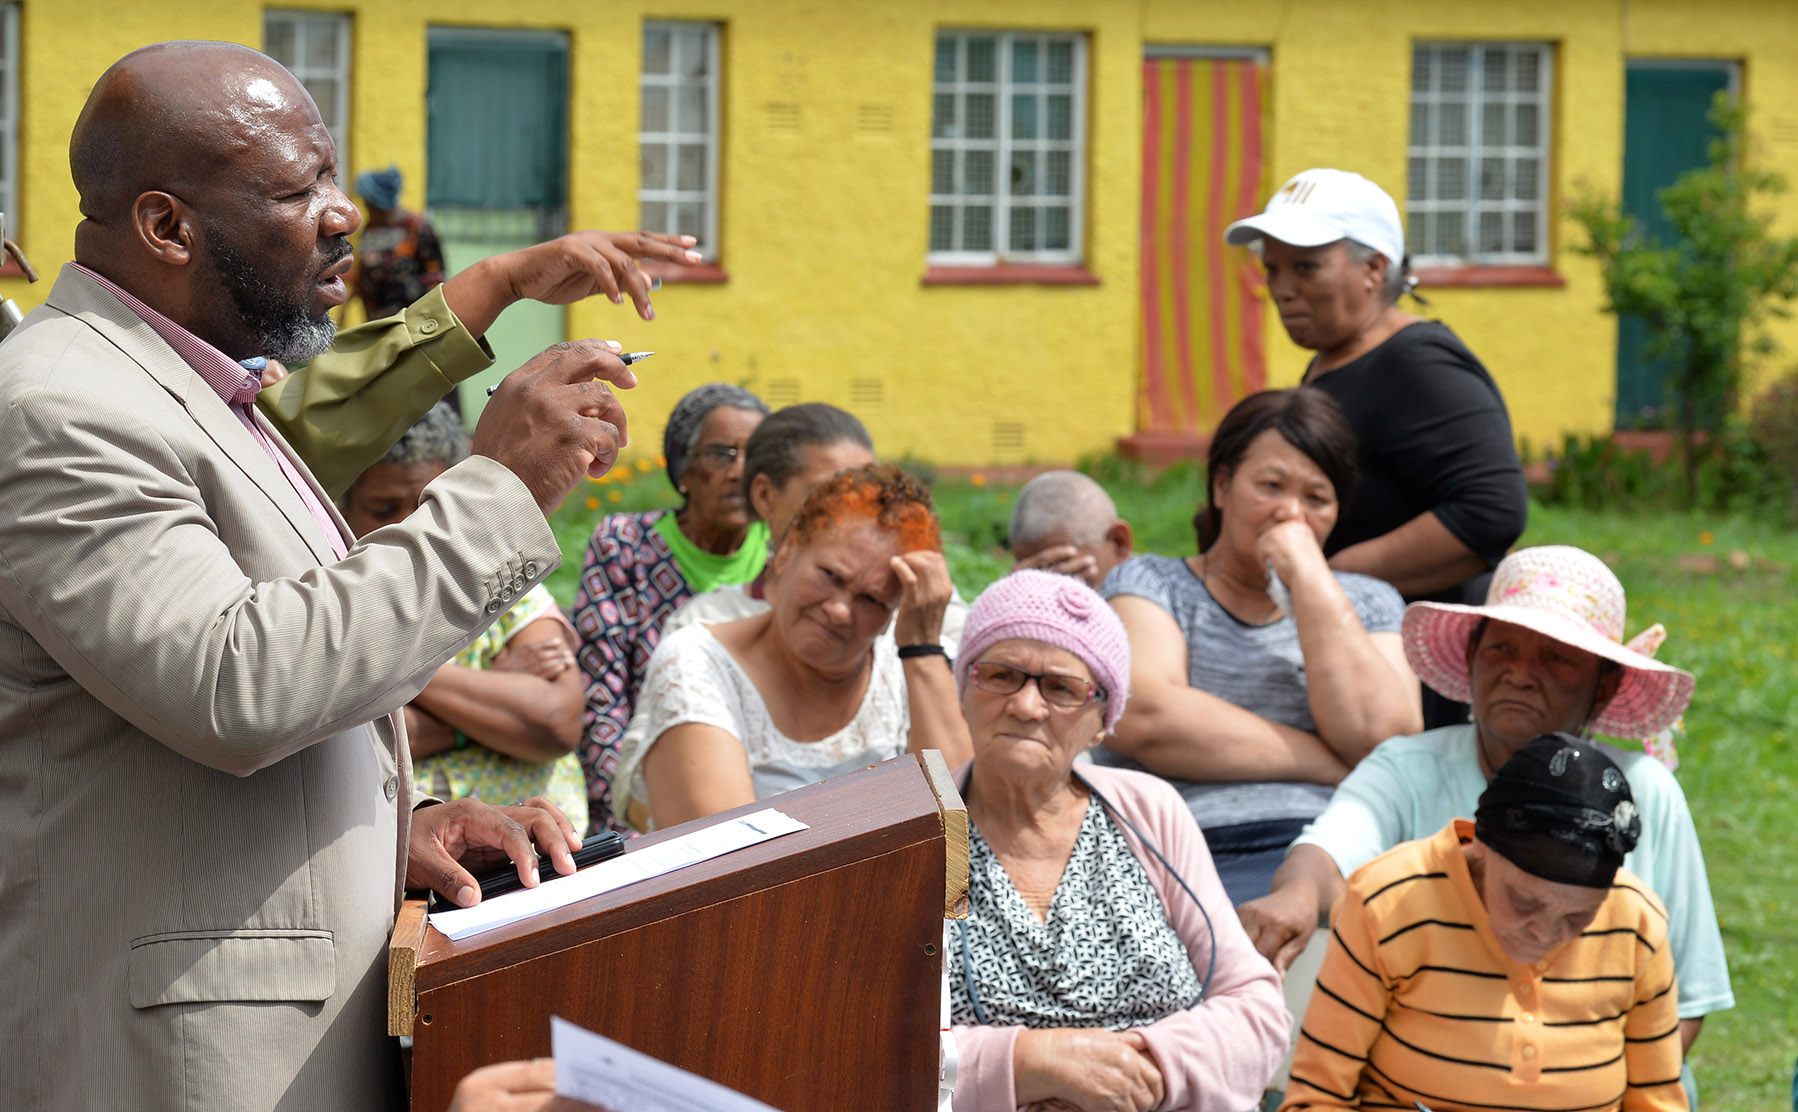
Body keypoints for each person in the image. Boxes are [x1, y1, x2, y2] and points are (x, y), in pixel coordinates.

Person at [0, 42, 651, 1111]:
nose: (343, 212)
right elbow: (235, 684)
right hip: (177, 1065)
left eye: (332, 176)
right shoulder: (61, 408)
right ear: (167, 227)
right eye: (298, 188)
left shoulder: (188, 387)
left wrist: (401, 826)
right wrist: (498, 490)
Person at [1242, 546, 1729, 1065]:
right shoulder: (1407, 768)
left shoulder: (1644, 793)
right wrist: (1296, 894)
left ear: (1603, 686)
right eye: (1501, 649)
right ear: (1472, 658)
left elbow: (1686, 1002)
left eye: (1557, 657)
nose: (1520, 674)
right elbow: (1332, 846)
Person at [947, 569, 1289, 1112]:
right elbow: (868, 1046)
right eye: (1001, 674)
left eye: (1061, 688)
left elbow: (1255, 1007)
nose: (1027, 706)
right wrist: (1029, 1064)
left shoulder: (1149, 812)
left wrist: (1136, 1070)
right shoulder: (921, 835)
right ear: (963, 687)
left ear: (1103, 721)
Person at [1224, 168, 1528, 728]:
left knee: (1435, 818)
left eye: (1307, 267)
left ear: (1373, 269)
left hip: (1424, 677)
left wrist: (1330, 574)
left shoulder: (1420, 364)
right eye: (1273, 269)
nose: (1282, 287)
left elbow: (1491, 510)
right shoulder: (1333, 359)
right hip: (1358, 655)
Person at [1099, 389, 1420, 904]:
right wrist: (1324, 761)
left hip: (1334, 852)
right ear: (1222, 486)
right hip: (1179, 852)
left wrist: (1309, 579)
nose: (1291, 515)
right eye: (1271, 486)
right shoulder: (1151, 584)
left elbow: (1384, 741)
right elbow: (1147, 715)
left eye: (1316, 499)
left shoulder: (1371, 604)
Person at [1280, 734, 1686, 1111]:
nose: (1544, 932)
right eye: (1523, 901)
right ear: (1481, 847)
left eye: (1578, 917)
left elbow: (1657, 1103)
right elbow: (1317, 1096)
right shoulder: (1388, 903)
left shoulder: (1637, 924)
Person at [618, 464, 973, 829]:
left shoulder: (911, 670)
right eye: (830, 576)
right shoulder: (697, 664)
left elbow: (964, 835)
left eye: (871, 600)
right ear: (787, 551)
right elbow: (726, 861)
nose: (839, 610)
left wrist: (922, 649)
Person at [343, 403, 588, 829]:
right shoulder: (338, 605)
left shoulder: (508, 578)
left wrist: (382, 668)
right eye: (384, 510)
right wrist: (493, 700)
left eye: (425, 507)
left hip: (547, 850)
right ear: (341, 511)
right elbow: (348, 751)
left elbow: (555, 722)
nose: (408, 528)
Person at [573, 382, 772, 831]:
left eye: (756, 456)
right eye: (723, 454)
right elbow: (602, 698)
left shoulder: (788, 557)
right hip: (645, 793)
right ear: (683, 467)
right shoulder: (625, 546)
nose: (740, 471)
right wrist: (629, 809)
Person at [661, 401, 879, 630]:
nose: (853, 513)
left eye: (866, 497)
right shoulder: (704, 629)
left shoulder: (889, 621)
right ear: (764, 496)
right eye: (828, 494)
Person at [1008, 469, 1134, 590]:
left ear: (1119, 542)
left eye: (1069, 572)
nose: (1050, 594)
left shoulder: (1145, 594)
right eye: (1034, 573)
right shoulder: (1013, 593)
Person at [351, 164, 446, 322]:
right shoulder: (370, 228)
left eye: (369, 203)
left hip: (409, 325)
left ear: (379, 203)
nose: (366, 207)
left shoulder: (417, 228)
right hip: (375, 323)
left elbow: (435, 278)